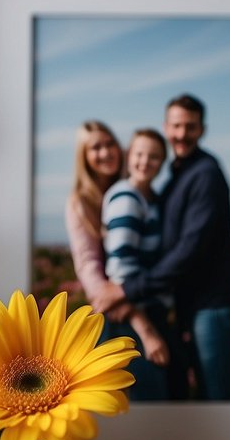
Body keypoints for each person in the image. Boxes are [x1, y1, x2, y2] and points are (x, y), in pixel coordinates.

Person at [94, 94, 230, 401]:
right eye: (176, 126)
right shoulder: (175, 175)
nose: (182, 134)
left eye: (190, 127)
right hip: (189, 306)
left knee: (220, 399)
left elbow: (191, 248)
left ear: (202, 129)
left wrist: (127, 289)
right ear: (166, 126)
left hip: (211, 304)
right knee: (200, 395)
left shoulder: (205, 174)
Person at [64, 120, 166, 399]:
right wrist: (141, 322)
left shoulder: (132, 191)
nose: (106, 152)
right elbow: (90, 268)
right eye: (95, 147)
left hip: (132, 302)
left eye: (109, 143)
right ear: (83, 156)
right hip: (121, 313)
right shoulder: (81, 202)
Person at [101, 129, 171, 368]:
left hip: (147, 310)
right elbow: (121, 271)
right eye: (139, 153)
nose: (145, 161)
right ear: (128, 155)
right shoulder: (127, 197)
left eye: (154, 156)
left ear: (162, 162)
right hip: (133, 318)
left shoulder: (151, 197)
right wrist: (146, 331)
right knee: (147, 401)